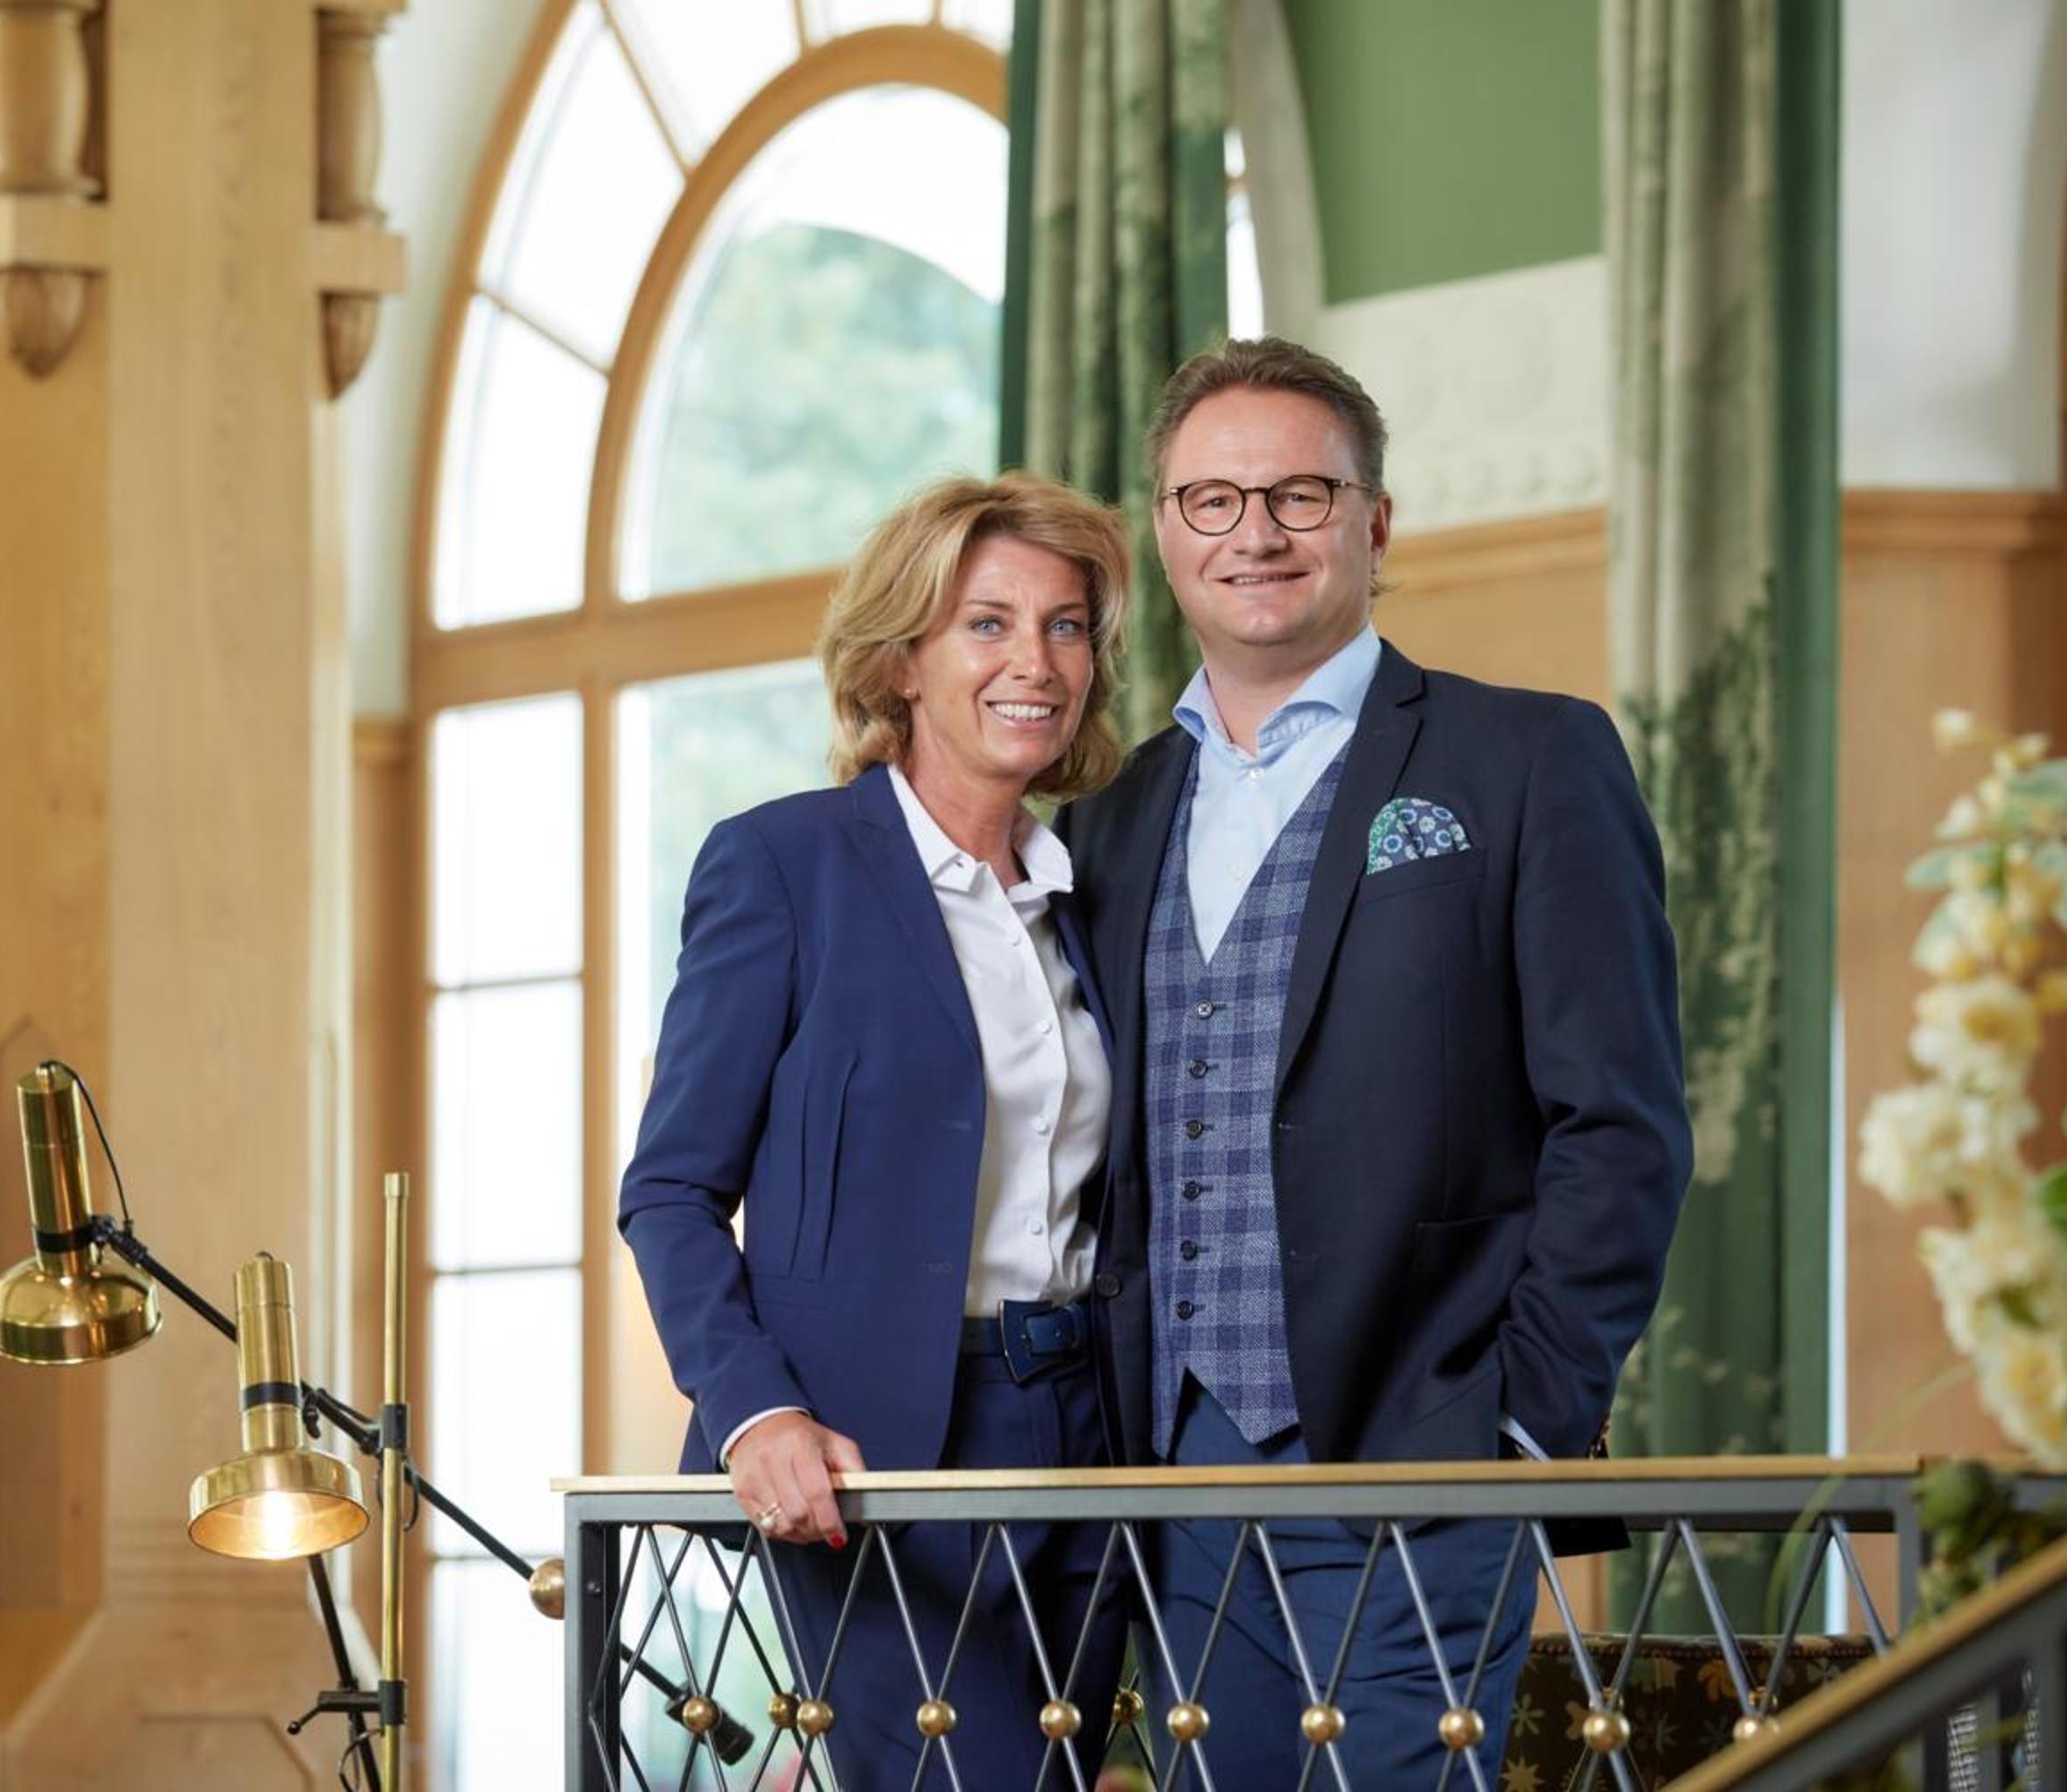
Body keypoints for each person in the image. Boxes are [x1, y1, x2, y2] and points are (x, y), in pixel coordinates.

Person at [1057, 338, 1692, 1787]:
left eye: (1301, 494)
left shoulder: (1527, 760)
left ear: (1375, 522)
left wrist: (1524, 1421)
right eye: (1213, 500)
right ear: (1165, 531)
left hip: (1433, 1449)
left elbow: (1622, 1122)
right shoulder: (1106, 819)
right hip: (1172, 1475)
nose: (1256, 533)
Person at [619, 472, 1137, 1790]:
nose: (1036, 663)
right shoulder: (784, 866)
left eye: (1067, 627)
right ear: (902, 660)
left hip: (1091, 1431)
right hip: (872, 1446)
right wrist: (754, 1410)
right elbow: (670, 1191)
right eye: (988, 624)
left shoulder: (1092, 898)